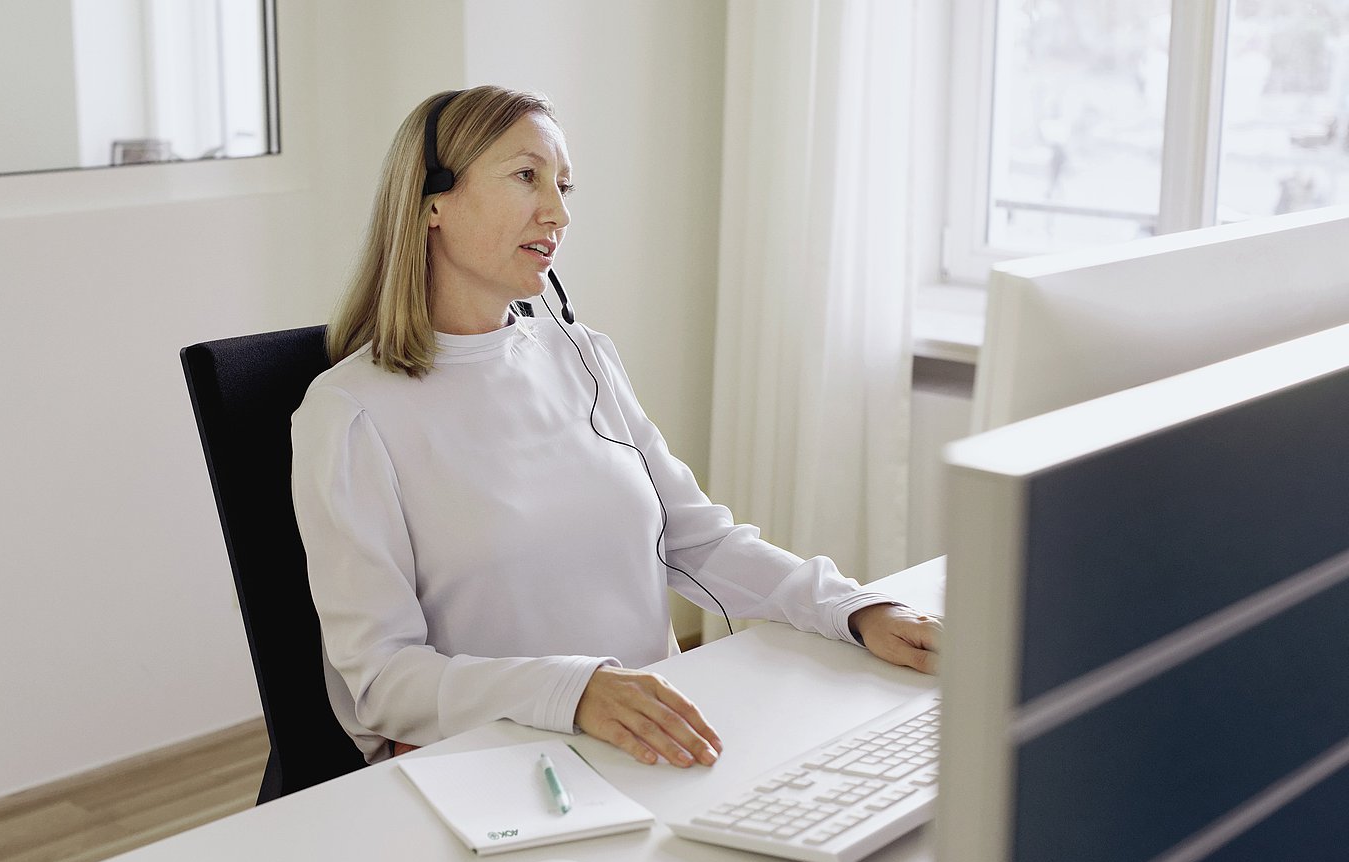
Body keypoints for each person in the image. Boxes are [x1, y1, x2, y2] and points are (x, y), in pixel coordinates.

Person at [290, 85, 941, 770]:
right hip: (497, 767)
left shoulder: (583, 355)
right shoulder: (353, 415)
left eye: (564, 185)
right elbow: (382, 681)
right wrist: (575, 692)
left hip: (652, 736)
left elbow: (699, 542)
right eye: (527, 176)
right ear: (433, 201)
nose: (559, 212)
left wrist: (854, 610)